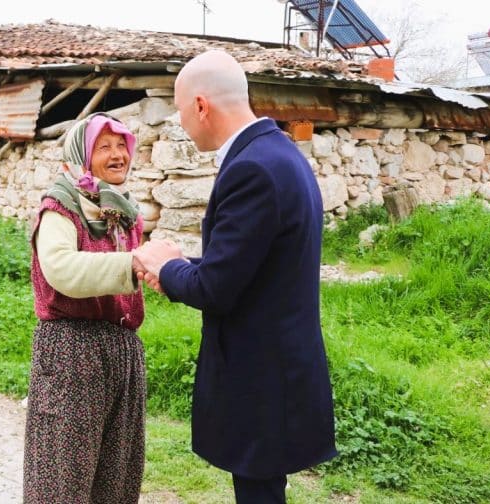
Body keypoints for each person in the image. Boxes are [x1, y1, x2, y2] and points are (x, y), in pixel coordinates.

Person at [134, 51, 338, 503]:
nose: (183, 125)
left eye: (183, 111)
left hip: (262, 376)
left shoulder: (252, 169)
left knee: (259, 494)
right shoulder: (278, 152)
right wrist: (179, 267)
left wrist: (165, 266)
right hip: (280, 365)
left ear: (202, 106)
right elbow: (248, 264)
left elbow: (217, 288)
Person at [24, 112, 148, 504]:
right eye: (103, 146)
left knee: (116, 479)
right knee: (63, 482)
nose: (117, 156)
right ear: (82, 154)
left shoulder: (124, 212)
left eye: (121, 146)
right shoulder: (60, 206)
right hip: (71, 352)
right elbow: (61, 269)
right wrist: (133, 264)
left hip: (122, 353)